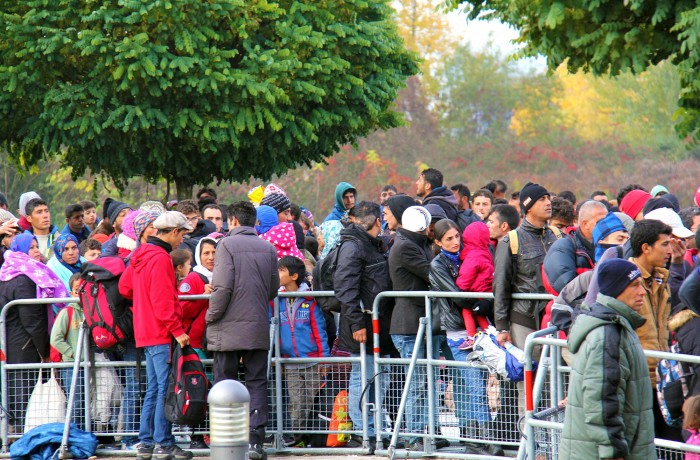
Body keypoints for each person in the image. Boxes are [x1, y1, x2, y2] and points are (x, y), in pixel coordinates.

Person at [560, 259, 655, 460]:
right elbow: (601, 401)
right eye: (635, 285)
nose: (642, 292)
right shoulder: (607, 333)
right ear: (617, 289)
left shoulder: (616, 326)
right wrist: (612, 452)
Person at [118, 211, 194, 460]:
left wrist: (143, 303)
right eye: (182, 234)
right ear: (173, 232)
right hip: (161, 330)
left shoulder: (140, 253)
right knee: (165, 388)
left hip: (144, 330)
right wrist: (178, 331)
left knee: (153, 389)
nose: (182, 240)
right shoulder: (161, 257)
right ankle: (164, 442)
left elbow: (125, 287)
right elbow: (162, 301)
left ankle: (147, 442)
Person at [206, 201, 279, 460]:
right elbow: (272, 289)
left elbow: (222, 288)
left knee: (225, 382)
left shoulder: (225, 244)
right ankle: (255, 442)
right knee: (257, 383)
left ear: (233, 220)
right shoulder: (268, 247)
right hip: (257, 325)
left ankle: (227, 440)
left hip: (226, 328)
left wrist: (210, 316)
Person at [429, 219, 501, 456]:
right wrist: (480, 304)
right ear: (438, 242)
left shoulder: (468, 255)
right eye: (448, 239)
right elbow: (457, 294)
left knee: (474, 384)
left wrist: (484, 304)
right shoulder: (438, 264)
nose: (455, 242)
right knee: (475, 385)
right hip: (457, 331)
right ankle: (485, 437)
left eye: (457, 237)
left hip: (476, 329)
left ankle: (476, 438)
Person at [333, 201, 393, 452]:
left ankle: (374, 427)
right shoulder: (353, 246)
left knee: (379, 377)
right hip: (362, 325)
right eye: (379, 218)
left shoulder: (367, 244)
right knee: (364, 376)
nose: (382, 223)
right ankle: (363, 430)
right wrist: (357, 322)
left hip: (375, 324)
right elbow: (345, 288)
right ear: (373, 220)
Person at [389, 205, 449, 451]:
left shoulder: (412, 243)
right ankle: (416, 435)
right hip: (410, 324)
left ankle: (430, 430)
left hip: (421, 323)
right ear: (424, 226)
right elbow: (433, 273)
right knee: (418, 383)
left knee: (428, 380)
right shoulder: (406, 247)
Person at [0, 233, 67, 431]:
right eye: (31, 248)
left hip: (15, 342)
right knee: (24, 390)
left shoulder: (9, 272)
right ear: (20, 251)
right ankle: (24, 434)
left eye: (37, 246)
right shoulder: (22, 278)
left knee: (18, 388)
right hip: (25, 345)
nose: (36, 251)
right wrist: (45, 350)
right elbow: (32, 320)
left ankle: (18, 433)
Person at [275, 256, 329, 447]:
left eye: (281, 270)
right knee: (297, 402)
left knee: (314, 401)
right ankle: (298, 438)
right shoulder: (277, 300)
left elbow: (319, 331)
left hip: (312, 361)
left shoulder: (309, 300)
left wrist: (324, 360)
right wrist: (277, 356)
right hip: (290, 362)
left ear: (294, 276)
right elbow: (275, 332)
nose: (277, 274)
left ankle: (314, 439)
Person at [178, 236, 218, 449]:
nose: (211, 257)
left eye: (214, 252)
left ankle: (210, 433)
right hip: (196, 345)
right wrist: (202, 297)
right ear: (198, 256)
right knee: (198, 390)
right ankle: (196, 436)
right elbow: (182, 311)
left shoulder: (222, 276)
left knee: (213, 390)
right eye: (206, 253)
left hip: (215, 343)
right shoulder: (193, 279)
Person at [543, 200, 608, 293]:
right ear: (585, 224)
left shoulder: (609, 245)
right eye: (600, 222)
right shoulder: (563, 247)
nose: (606, 225)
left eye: (607, 220)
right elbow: (567, 288)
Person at [50, 273, 86, 425]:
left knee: (86, 403)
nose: (80, 293)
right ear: (71, 292)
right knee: (76, 403)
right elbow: (55, 339)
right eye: (77, 289)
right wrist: (73, 353)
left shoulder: (92, 312)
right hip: (72, 365)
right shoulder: (67, 312)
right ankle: (73, 435)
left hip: (87, 364)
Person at [455, 221, 493, 347]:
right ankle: (489, 333)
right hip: (485, 291)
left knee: (467, 311)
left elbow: (466, 274)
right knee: (479, 314)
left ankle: (471, 337)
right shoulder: (485, 251)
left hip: (476, 291)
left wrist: (460, 285)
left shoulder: (473, 256)